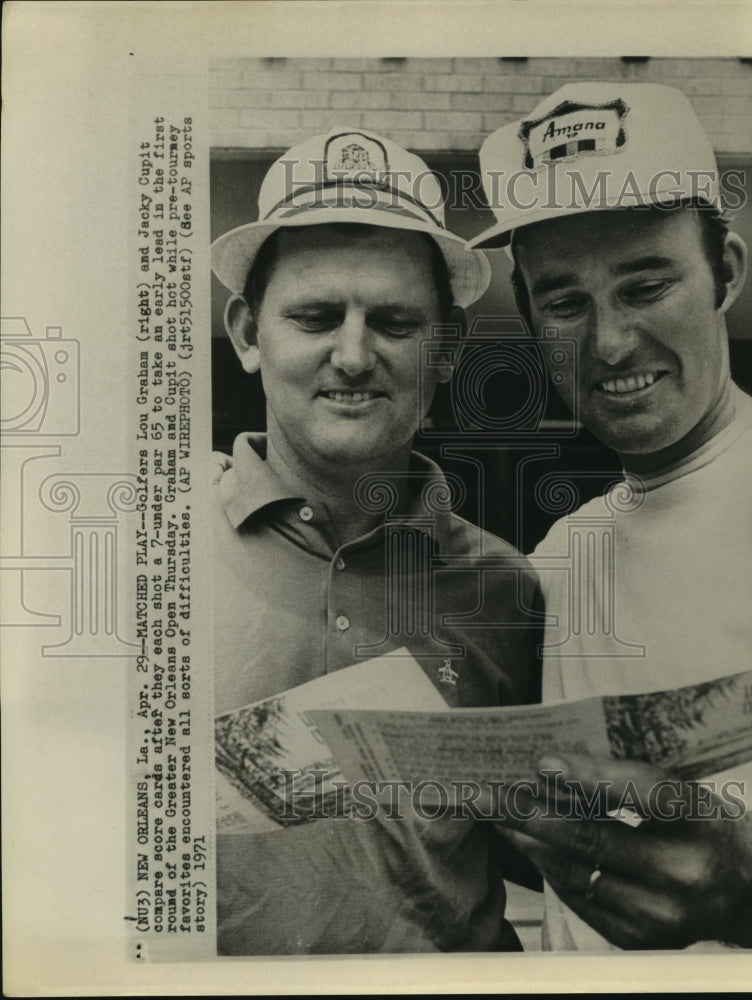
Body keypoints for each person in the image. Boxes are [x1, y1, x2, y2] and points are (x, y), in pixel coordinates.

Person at [210, 127, 542, 954]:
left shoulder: (511, 590)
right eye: (317, 316)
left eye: (394, 322)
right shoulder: (150, 558)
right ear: (250, 334)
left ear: (445, 351)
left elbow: (543, 846)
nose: (354, 356)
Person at [469, 82, 752, 950]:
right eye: (566, 302)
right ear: (530, 319)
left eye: (645, 285)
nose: (608, 343)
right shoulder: (567, 553)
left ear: (728, 273)